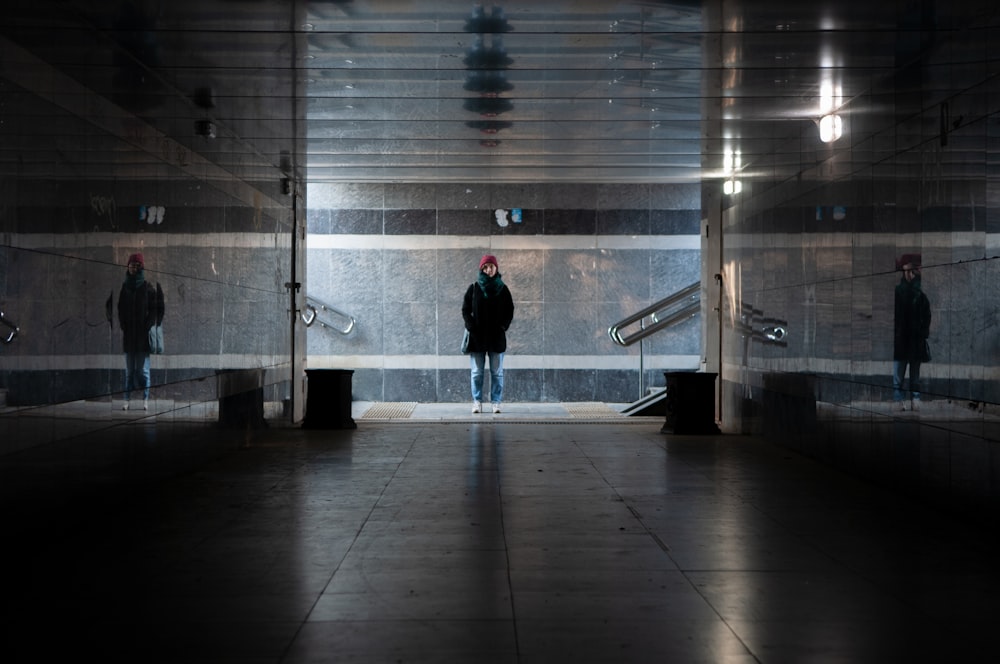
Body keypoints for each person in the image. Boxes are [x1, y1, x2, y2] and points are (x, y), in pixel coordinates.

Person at [462, 254, 514, 414]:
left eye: (491, 266)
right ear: (482, 269)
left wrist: (503, 326)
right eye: (486, 267)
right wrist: (471, 326)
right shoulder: (474, 287)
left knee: (497, 373)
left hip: (496, 338)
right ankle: (477, 401)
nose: (489, 269)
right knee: (477, 373)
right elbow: (465, 310)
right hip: (477, 338)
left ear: (496, 268)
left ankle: (496, 402)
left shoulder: (503, 289)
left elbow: (510, 309)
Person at [118, 252, 157, 410]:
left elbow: (154, 310)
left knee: (143, 371)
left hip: (142, 337)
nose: (133, 268)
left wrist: (146, 326)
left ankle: (145, 399)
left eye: (136, 265)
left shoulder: (147, 287)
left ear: (141, 267)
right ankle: (126, 400)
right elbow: (120, 308)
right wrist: (123, 325)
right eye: (131, 265)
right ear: (128, 267)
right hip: (128, 337)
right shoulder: (124, 287)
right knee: (129, 372)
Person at [893, 253, 931, 410]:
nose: (908, 274)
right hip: (901, 340)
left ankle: (915, 400)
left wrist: (922, 333)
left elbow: (927, 316)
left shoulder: (920, 295)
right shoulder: (897, 292)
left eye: (911, 271)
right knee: (898, 375)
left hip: (915, 340)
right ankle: (899, 400)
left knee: (914, 376)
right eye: (906, 271)